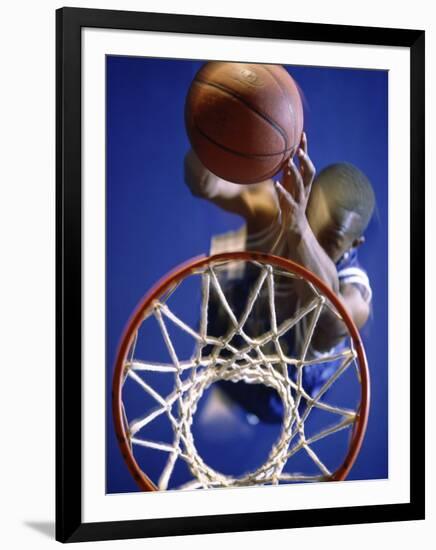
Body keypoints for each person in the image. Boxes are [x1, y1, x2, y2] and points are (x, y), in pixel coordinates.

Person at [184, 133, 374, 423]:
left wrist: (299, 231)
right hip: (225, 344)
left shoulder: (355, 293)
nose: (316, 233)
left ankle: (232, 411)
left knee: (325, 309)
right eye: (311, 216)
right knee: (238, 257)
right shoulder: (276, 206)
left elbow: (333, 319)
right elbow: (204, 183)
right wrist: (216, 135)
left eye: (331, 238)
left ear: (354, 244)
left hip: (278, 392)